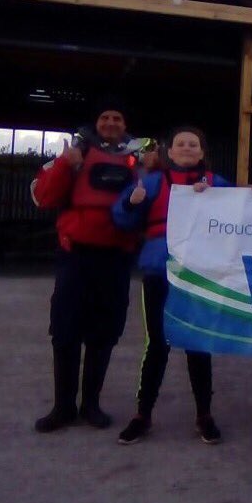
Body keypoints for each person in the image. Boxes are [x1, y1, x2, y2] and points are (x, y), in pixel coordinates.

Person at [31, 96, 149, 432]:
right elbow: (44, 197)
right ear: (96, 123)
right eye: (105, 117)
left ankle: (91, 405)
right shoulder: (75, 156)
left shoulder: (138, 161)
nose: (111, 123)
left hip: (115, 258)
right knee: (65, 330)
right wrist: (68, 163)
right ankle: (63, 407)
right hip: (76, 255)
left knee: (104, 331)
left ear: (125, 125)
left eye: (117, 118)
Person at [112, 127, 232, 445]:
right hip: (159, 272)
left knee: (197, 344)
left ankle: (204, 415)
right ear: (170, 151)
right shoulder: (150, 183)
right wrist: (131, 204)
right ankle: (143, 414)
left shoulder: (217, 185)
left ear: (202, 152)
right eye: (181, 144)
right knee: (158, 344)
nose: (187, 148)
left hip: (197, 275)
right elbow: (121, 220)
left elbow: (245, 216)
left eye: (193, 144)